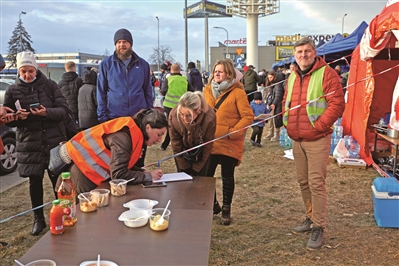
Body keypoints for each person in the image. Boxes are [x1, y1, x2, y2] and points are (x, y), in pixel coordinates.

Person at [282, 38, 345, 250]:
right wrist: (286, 121)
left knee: (316, 182)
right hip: (297, 138)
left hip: (317, 138)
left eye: (307, 51)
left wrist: (320, 125)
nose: (303, 55)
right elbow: (287, 101)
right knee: (303, 181)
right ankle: (310, 217)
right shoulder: (292, 76)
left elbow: (337, 103)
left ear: (314, 52)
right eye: (299, 51)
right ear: (294, 54)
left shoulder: (327, 73)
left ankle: (319, 225)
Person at [3, 51, 73, 236]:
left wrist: (46, 112)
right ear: (19, 71)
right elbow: (8, 120)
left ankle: (65, 213)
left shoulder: (50, 86)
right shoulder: (12, 91)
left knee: (58, 181)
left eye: (30, 71)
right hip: (29, 142)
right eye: (23, 71)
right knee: (35, 182)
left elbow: (64, 111)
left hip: (52, 141)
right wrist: (17, 118)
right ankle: (38, 219)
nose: (27, 75)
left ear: (36, 69)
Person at [58, 108, 168, 194]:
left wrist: (141, 172)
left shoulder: (131, 132)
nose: (159, 140)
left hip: (85, 173)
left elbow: (121, 163)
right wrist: (147, 176)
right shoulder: (124, 137)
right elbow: (118, 173)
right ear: (148, 127)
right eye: (159, 134)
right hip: (82, 177)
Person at [204, 59, 254, 225]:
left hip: (228, 142)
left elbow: (248, 117)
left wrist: (232, 132)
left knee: (227, 177)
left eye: (221, 71)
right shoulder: (207, 91)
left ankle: (226, 209)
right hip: (210, 142)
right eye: (215, 71)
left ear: (229, 74)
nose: (217, 74)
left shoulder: (238, 92)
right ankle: (213, 205)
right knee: (205, 177)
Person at [97, 28, 153, 123]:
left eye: (125, 42)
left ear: (130, 44)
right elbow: (101, 92)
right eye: (118, 42)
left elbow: (148, 90)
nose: (121, 45)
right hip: (114, 118)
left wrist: (150, 113)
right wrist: (102, 117)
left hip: (139, 117)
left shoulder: (143, 65)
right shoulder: (106, 64)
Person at [168, 91, 216, 176]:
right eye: (181, 114)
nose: (184, 118)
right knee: (183, 182)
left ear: (199, 110)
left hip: (201, 153)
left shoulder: (209, 118)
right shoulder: (174, 116)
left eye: (189, 115)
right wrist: (184, 167)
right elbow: (176, 143)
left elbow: (207, 144)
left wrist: (196, 169)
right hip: (182, 153)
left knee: (201, 183)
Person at [159, 63, 194, 151]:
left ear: (171, 71)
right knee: (182, 125)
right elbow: (191, 92)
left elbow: (163, 91)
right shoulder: (185, 79)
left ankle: (165, 145)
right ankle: (184, 144)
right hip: (181, 106)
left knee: (170, 125)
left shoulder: (168, 79)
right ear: (179, 71)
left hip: (169, 106)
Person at [58, 61, 83, 126]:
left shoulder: (60, 83)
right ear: (74, 68)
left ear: (66, 69)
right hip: (79, 109)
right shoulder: (79, 80)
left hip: (67, 110)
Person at [264, 71, 285, 141]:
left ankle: (277, 133)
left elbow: (278, 95)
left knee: (277, 119)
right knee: (270, 119)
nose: (270, 79)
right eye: (269, 77)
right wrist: (267, 102)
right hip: (270, 104)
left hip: (276, 104)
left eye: (271, 77)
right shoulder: (269, 85)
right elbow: (268, 95)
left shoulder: (278, 85)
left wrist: (274, 103)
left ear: (274, 77)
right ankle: (271, 132)